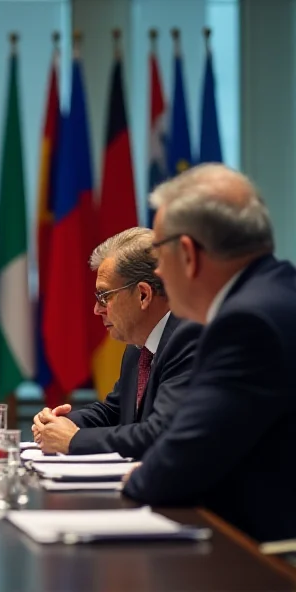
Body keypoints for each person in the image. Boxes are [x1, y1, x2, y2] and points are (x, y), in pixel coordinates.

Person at [123, 163, 296, 543]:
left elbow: (175, 466)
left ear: (187, 254)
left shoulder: (246, 325)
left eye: (158, 255)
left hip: (264, 560)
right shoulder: (280, 291)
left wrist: (141, 475)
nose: (159, 274)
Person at [32, 228, 201, 459]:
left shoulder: (189, 338)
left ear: (143, 295)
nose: (97, 309)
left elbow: (161, 433)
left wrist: (74, 440)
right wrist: (60, 423)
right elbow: (115, 410)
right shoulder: (138, 346)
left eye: (105, 296)